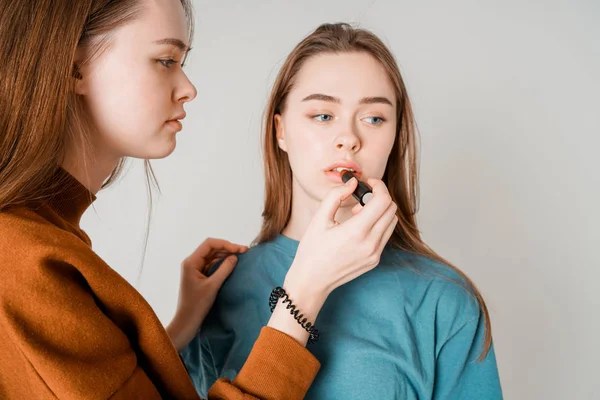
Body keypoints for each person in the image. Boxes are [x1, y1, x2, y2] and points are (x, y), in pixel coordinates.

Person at [0, 2, 398, 398]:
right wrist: (304, 292)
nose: (189, 88)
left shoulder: (38, 245)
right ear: (74, 68)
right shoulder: (22, 258)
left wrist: (176, 333)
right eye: (164, 60)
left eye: (375, 118)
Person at [182, 23, 503, 399]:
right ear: (280, 131)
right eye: (322, 115)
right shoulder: (219, 289)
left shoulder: (443, 300)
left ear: (395, 137)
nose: (349, 138)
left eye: (374, 118)